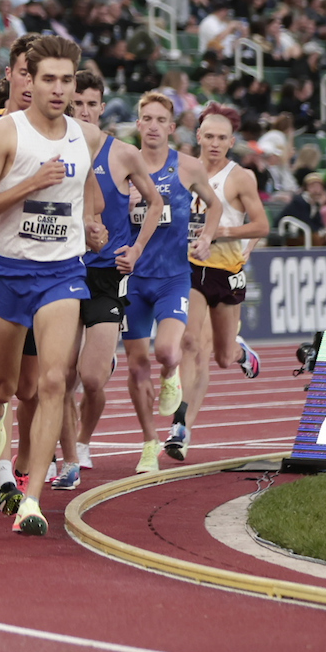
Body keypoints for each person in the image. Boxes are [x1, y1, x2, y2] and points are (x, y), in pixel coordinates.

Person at [0, 34, 110, 538]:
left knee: (51, 382)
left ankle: (32, 498)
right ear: (29, 80)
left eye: (68, 80)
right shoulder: (5, 135)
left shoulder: (86, 137)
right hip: (7, 272)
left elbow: (88, 197)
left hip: (62, 273)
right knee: (1, 387)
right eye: (49, 79)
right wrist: (29, 185)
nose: (59, 89)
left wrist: (92, 224)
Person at [102, 90, 213, 477]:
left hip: (172, 277)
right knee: (136, 366)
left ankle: (171, 378)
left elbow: (212, 205)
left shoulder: (188, 167)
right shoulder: (123, 163)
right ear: (138, 123)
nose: (151, 126)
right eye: (145, 118)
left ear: (171, 126)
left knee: (168, 351)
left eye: (159, 120)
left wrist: (206, 236)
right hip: (131, 278)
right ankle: (149, 443)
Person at [173, 106, 269, 460]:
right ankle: (182, 426)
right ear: (197, 136)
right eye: (208, 136)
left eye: (221, 138)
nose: (214, 143)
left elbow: (261, 226)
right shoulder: (182, 168)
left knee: (223, 357)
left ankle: (242, 352)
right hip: (188, 267)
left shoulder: (240, 177)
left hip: (226, 271)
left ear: (231, 142)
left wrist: (219, 232)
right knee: (190, 343)